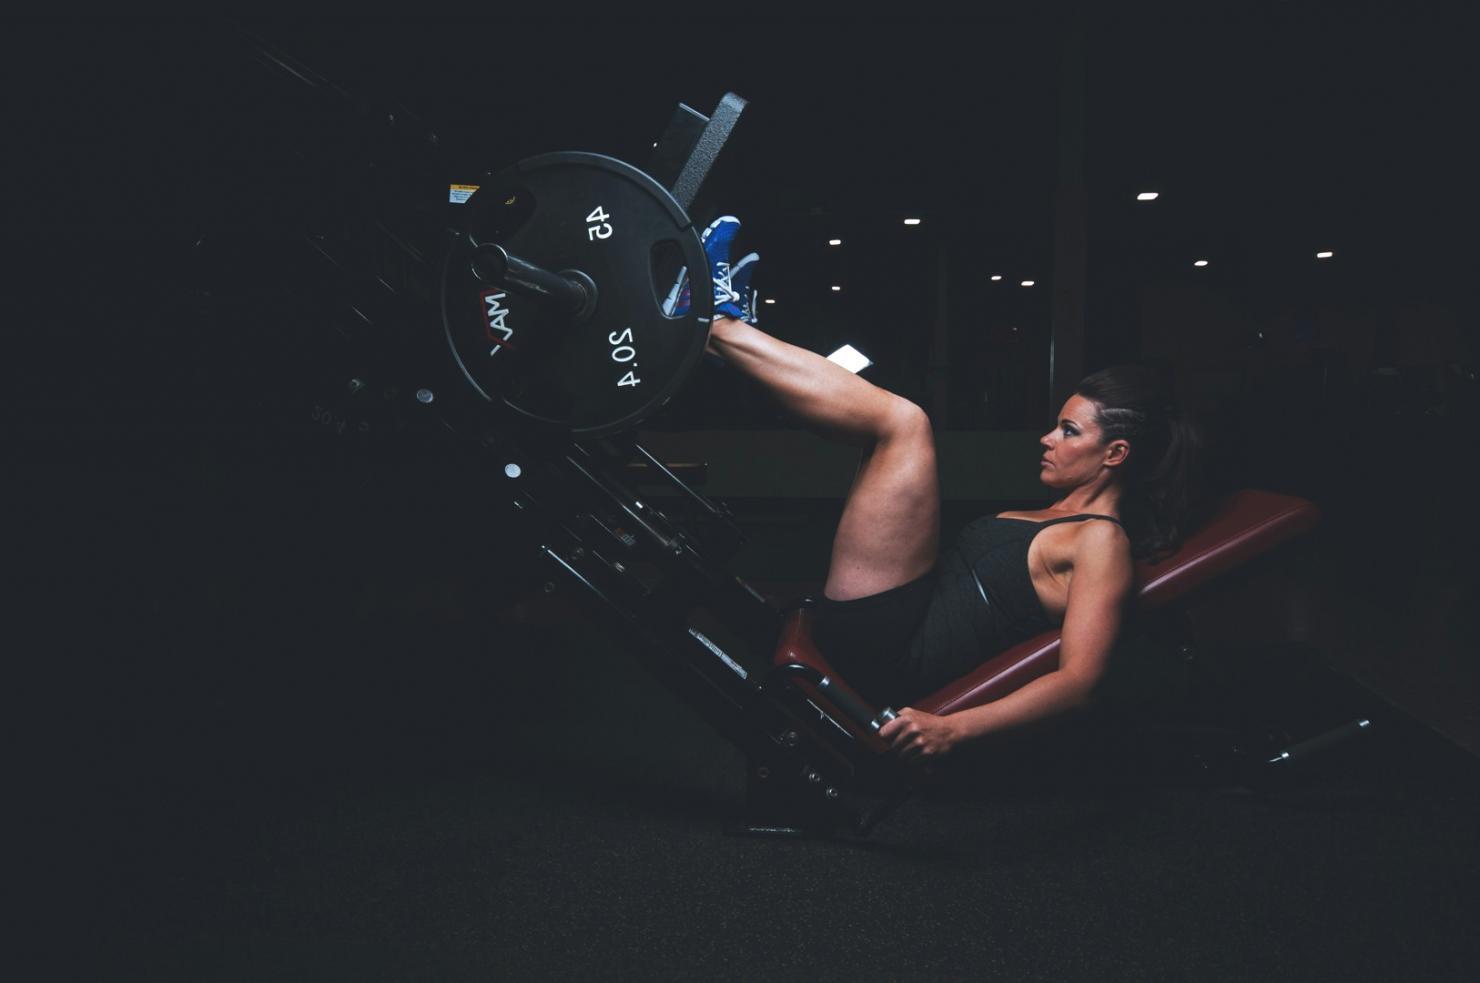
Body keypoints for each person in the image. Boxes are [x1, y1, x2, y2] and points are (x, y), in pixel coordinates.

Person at [679, 217, 1202, 764]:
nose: (1047, 439)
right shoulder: (1057, 516)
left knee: (904, 425)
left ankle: (716, 324)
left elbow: (1079, 682)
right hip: (896, 621)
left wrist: (954, 729)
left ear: (1115, 455)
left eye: (1069, 431)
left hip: (894, 653)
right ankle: (729, 339)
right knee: (881, 434)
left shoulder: (1101, 543)